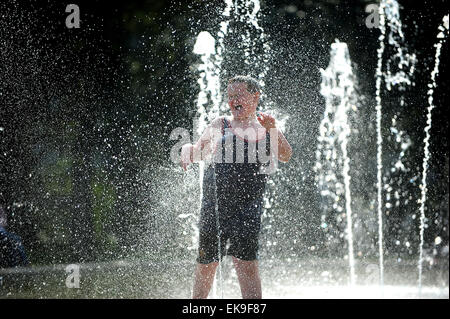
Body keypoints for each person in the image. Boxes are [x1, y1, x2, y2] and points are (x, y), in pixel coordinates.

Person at [180, 75, 292, 299]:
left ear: (255, 97)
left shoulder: (266, 126)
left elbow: (286, 155)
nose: (233, 101)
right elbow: (198, 152)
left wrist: (273, 130)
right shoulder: (221, 124)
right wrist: (186, 149)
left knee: (246, 264)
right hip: (215, 206)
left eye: (239, 95)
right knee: (206, 262)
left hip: (248, 208)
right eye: (230, 96)